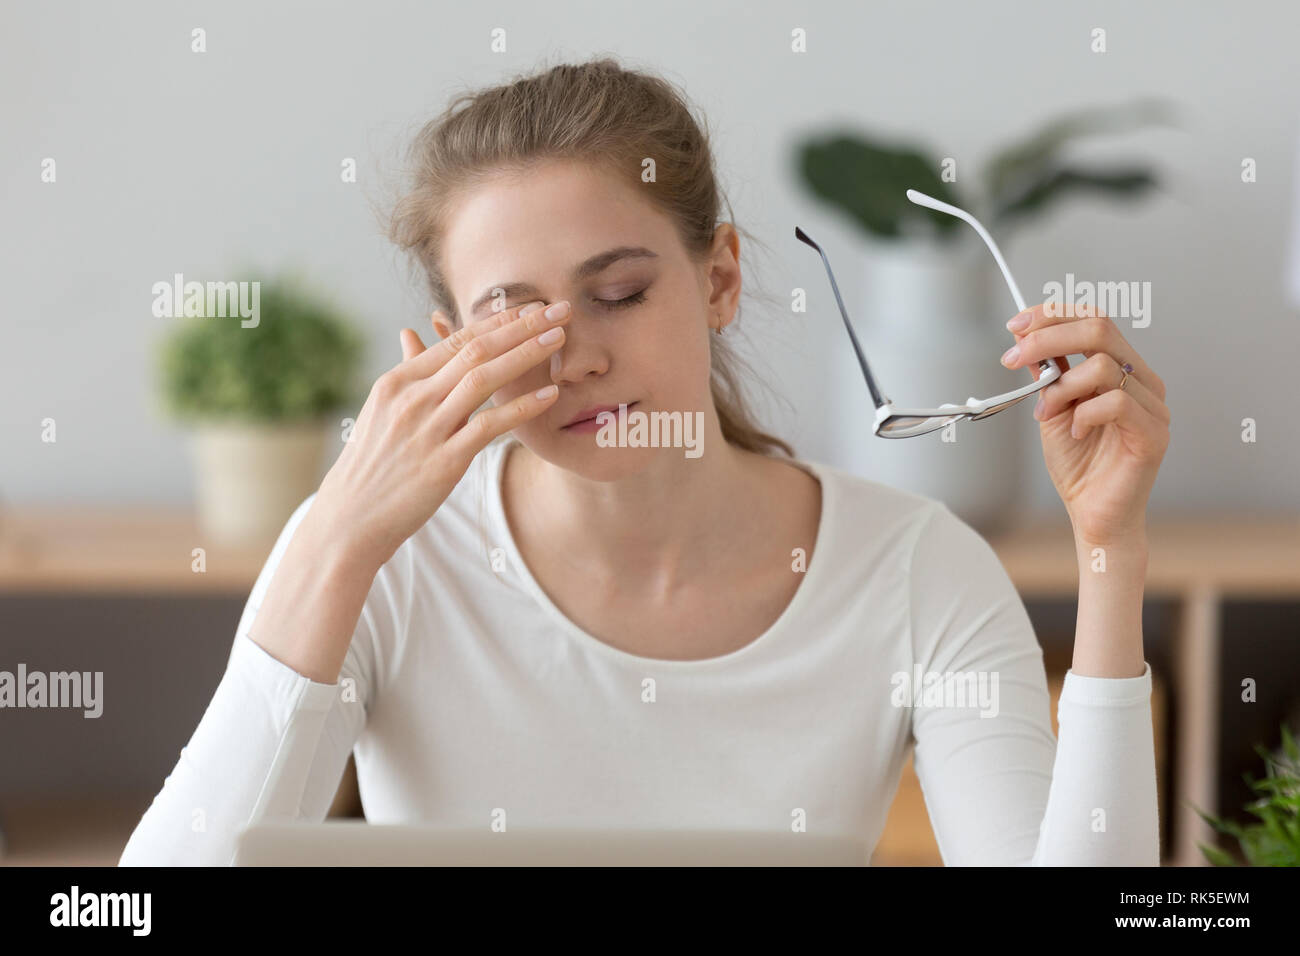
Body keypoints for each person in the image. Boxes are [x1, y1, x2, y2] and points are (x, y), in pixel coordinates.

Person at [119, 56, 1170, 866]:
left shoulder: (916, 570)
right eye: (514, 320)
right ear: (451, 345)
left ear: (720, 280)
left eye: (619, 293)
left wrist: (1109, 547)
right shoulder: (379, 564)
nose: (577, 355)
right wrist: (337, 539)